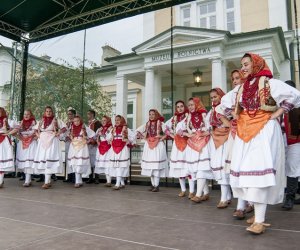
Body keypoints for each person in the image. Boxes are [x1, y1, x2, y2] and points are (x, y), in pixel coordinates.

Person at [230, 53, 300, 234]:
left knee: (257, 175)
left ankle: (259, 220)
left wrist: (277, 114)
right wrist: (236, 115)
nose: (243, 68)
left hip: (263, 131)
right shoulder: (242, 87)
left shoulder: (269, 83)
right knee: (245, 175)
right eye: (242, 65)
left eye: (246, 64)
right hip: (245, 133)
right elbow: (224, 104)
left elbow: (294, 95)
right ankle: (258, 213)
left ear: (257, 64)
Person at [217, 70, 253, 219]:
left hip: (251, 132)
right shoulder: (231, 95)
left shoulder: (251, 91)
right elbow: (220, 111)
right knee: (237, 169)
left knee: (248, 169)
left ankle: (250, 203)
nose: (236, 81)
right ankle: (241, 206)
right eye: (233, 79)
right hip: (235, 134)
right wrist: (231, 121)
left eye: (238, 78)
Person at [178, 97, 211, 202]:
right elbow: (178, 128)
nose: (190, 107)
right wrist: (187, 134)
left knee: (201, 168)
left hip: (203, 144)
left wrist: (203, 133)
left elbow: (211, 128)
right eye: (189, 105)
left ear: (197, 104)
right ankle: (206, 193)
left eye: (192, 104)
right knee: (196, 170)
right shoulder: (188, 116)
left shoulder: (204, 114)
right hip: (192, 144)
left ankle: (198, 194)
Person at [207, 88, 232, 208]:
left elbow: (229, 123)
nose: (213, 99)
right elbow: (207, 124)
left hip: (226, 138)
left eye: (215, 97)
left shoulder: (222, 108)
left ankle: (224, 198)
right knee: (219, 167)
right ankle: (227, 197)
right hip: (216, 139)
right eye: (211, 98)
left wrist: (222, 124)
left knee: (224, 167)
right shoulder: (213, 110)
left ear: (221, 96)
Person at [33, 106, 66, 189]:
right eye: (47, 111)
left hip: (52, 141)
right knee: (44, 160)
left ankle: (47, 182)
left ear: (52, 112)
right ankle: (48, 181)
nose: (48, 113)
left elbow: (65, 128)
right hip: (42, 141)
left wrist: (58, 133)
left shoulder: (56, 120)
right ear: (45, 112)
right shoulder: (41, 121)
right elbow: (35, 129)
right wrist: (38, 135)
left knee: (49, 159)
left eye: (50, 111)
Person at [137, 109, 168, 192]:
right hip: (149, 144)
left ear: (156, 115)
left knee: (156, 166)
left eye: (153, 114)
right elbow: (138, 131)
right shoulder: (147, 124)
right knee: (150, 166)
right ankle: (153, 184)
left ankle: (157, 185)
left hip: (158, 145)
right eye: (150, 114)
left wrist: (161, 137)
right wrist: (144, 137)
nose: (151, 116)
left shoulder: (161, 124)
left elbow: (168, 132)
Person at [163, 100, 189, 197]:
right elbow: (164, 127)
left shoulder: (188, 116)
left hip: (187, 143)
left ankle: (192, 191)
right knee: (179, 167)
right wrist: (172, 135)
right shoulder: (174, 118)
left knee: (188, 167)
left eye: (181, 106)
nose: (180, 108)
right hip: (177, 144)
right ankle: (183, 189)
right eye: (178, 107)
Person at [281, 80, 300, 210]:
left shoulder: (297, 105)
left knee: (293, 168)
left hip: (295, 140)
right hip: (282, 140)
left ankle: (290, 198)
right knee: (289, 168)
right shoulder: (279, 104)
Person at [67, 115, 95, 188]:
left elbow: (93, 134)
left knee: (80, 163)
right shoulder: (71, 127)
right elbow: (67, 135)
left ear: (80, 121)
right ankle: (78, 181)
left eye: (78, 121)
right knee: (75, 163)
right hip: (73, 146)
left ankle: (78, 181)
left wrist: (87, 140)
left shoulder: (84, 127)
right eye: (75, 121)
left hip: (82, 146)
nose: (76, 122)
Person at [108, 115, 134, 190]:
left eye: (118, 120)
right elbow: (108, 138)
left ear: (122, 120)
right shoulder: (113, 129)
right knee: (116, 166)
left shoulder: (126, 129)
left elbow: (133, 138)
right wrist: (109, 135)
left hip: (122, 149)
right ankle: (122, 182)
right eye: (115, 120)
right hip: (114, 149)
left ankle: (117, 184)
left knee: (120, 166)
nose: (116, 121)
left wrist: (128, 141)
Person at [13, 110, 37, 187]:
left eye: (28, 114)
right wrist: (20, 137)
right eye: (25, 114)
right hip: (23, 143)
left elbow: (36, 133)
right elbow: (16, 133)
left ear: (31, 115)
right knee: (24, 162)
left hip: (31, 143)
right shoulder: (21, 123)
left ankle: (27, 180)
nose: (26, 115)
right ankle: (28, 179)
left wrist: (32, 138)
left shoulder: (34, 123)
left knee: (28, 161)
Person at [95, 116, 113, 187]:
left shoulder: (111, 128)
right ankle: (107, 180)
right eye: (102, 120)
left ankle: (109, 181)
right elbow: (95, 136)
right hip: (101, 147)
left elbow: (109, 138)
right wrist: (98, 137)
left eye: (105, 120)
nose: (103, 122)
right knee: (104, 165)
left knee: (108, 165)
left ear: (108, 121)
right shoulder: (101, 128)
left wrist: (101, 134)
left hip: (108, 148)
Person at [86, 110, 102, 184]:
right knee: (89, 161)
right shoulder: (89, 123)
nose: (87, 115)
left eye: (88, 114)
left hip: (95, 144)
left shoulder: (97, 123)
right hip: (89, 144)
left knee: (95, 161)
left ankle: (96, 178)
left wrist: (95, 141)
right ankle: (90, 177)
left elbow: (98, 134)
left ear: (92, 114)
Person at [0, 107, 14, 188]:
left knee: (2, 161)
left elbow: (9, 129)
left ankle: (0, 181)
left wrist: (6, 123)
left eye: (1, 112)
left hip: (3, 141)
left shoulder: (5, 120)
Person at [63, 108, 76, 183]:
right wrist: (65, 136)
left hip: (74, 143)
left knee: (73, 159)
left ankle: (74, 177)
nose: (69, 115)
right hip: (68, 142)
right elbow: (64, 132)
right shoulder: (67, 123)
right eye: (68, 114)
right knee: (68, 159)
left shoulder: (76, 122)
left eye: (70, 114)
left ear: (74, 115)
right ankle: (69, 176)